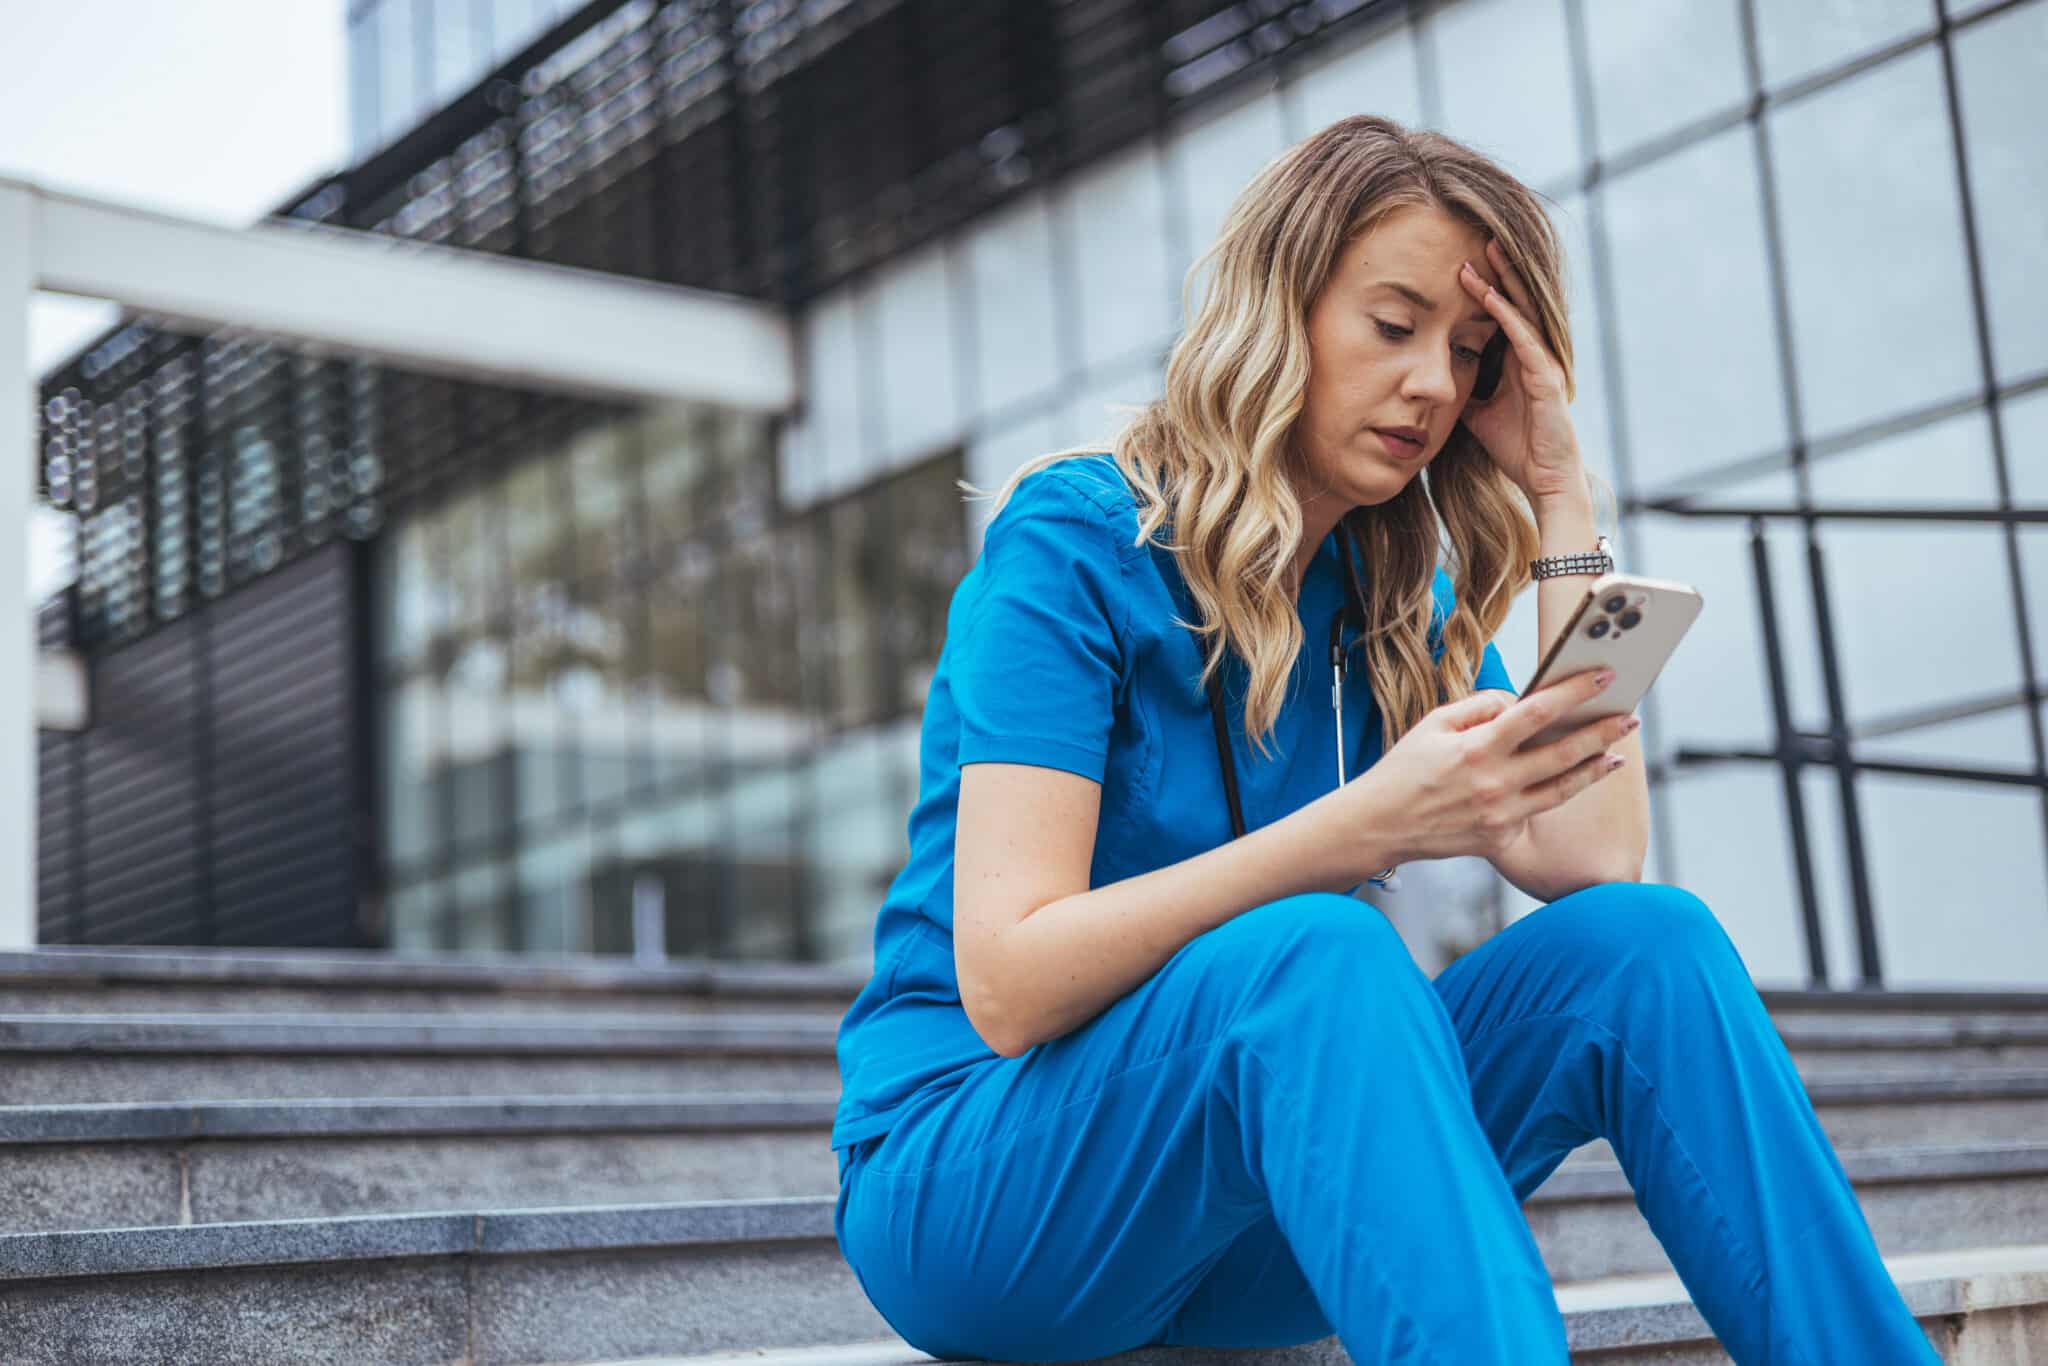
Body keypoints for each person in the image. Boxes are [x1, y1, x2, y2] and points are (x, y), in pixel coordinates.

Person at [830, 114, 1936, 1363]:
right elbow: (1008, 979)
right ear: (1281, 308)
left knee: (1649, 945)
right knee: (1320, 948)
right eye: (1392, 324)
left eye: (1467, 354)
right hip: (984, 1192)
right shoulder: (1075, 541)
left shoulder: (1396, 588)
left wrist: (1561, 497)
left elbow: (1589, 860)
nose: (1430, 383)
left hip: (1241, 1217)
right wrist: (1360, 830)